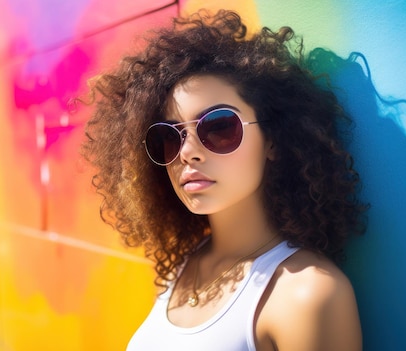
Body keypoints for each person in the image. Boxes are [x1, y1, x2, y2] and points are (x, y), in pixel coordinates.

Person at [81, 9, 367, 351]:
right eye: (169, 137)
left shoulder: (306, 295)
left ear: (273, 139)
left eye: (217, 127)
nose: (188, 152)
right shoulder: (183, 267)